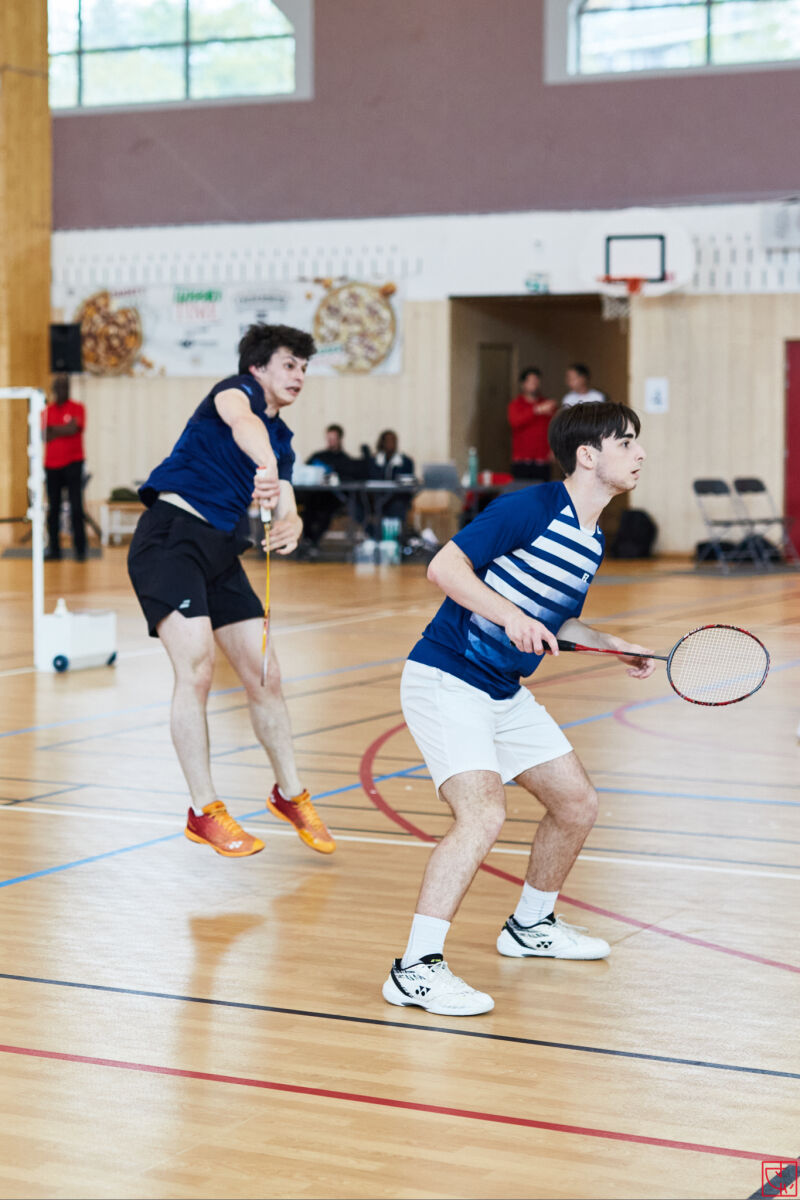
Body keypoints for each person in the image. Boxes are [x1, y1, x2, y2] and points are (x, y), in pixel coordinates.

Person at [382, 401, 653, 1016]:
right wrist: (510, 616)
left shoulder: (591, 538)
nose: (640, 453)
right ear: (588, 456)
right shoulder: (529, 508)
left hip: (503, 690)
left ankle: (531, 925)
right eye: (627, 442)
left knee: (576, 803)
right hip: (447, 678)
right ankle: (414, 969)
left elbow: (560, 620)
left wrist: (610, 644)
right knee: (482, 815)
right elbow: (444, 566)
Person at [127, 323, 335, 857]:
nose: (299, 375)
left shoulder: (282, 440)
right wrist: (266, 465)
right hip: (170, 540)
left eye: (304, 367)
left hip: (221, 553)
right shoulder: (232, 393)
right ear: (257, 368)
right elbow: (244, 425)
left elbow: (284, 493)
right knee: (196, 670)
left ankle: (290, 794)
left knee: (266, 674)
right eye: (289, 364)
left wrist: (292, 522)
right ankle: (204, 811)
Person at [299, 424, 369, 555]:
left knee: (326, 512)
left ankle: (312, 542)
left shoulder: (345, 460)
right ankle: (308, 541)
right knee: (308, 510)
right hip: (315, 495)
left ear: (340, 439)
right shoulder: (318, 456)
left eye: (333, 438)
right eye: (329, 438)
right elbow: (305, 472)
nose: (331, 441)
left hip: (334, 497)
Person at [43, 374, 87, 561]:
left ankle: (80, 549)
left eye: (66, 387)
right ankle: (54, 550)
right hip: (51, 465)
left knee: (76, 507)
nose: (63, 390)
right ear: (54, 389)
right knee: (54, 509)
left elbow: (74, 428)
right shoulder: (46, 410)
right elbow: (44, 434)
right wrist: (64, 428)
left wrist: (54, 429)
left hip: (73, 463)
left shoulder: (78, 407)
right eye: (60, 387)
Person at [507, 367, 557, 482]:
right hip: (522, 460)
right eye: (530, 381)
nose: (534, 384)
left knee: (543, 492)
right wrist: (536, 410)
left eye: (536, 381)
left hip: (543, 461)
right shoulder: (516, 404)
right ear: (523, 384)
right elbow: (515, 422)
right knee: (522, 491)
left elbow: (555, 429)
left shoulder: (548, 404)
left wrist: (554, 449)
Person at [367, 429, 416, 537]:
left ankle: (394, 538)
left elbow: (406, 483)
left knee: (396, 507)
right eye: (388, 440)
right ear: (382, 443)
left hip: (397, 498)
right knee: (365, 507)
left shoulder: (405, 462)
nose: (391, 444)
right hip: (377, 498)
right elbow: (372, 479)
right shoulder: (374, 461)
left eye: (393, 441)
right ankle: (373, 538)